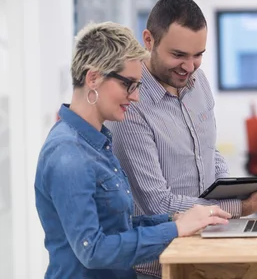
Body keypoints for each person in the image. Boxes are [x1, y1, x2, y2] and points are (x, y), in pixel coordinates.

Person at [107, 0, 257, 278]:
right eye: (178, 55)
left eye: (198, 55)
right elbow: (158, 204)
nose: (189, 67)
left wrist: (234, 188)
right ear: (149, 40)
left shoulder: (198, 82)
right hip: (160, 265)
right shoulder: (131, 106)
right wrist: (241, 206)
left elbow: (208, 151)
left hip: (208, 247)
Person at [34, 22, 231, 279]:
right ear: (93, 78)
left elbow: (118, 228)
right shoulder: (68, 154)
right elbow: (93, 250)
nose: (135, 97)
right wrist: (174, 230)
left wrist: (177, 221)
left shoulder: (97, 143)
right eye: (129, 84)